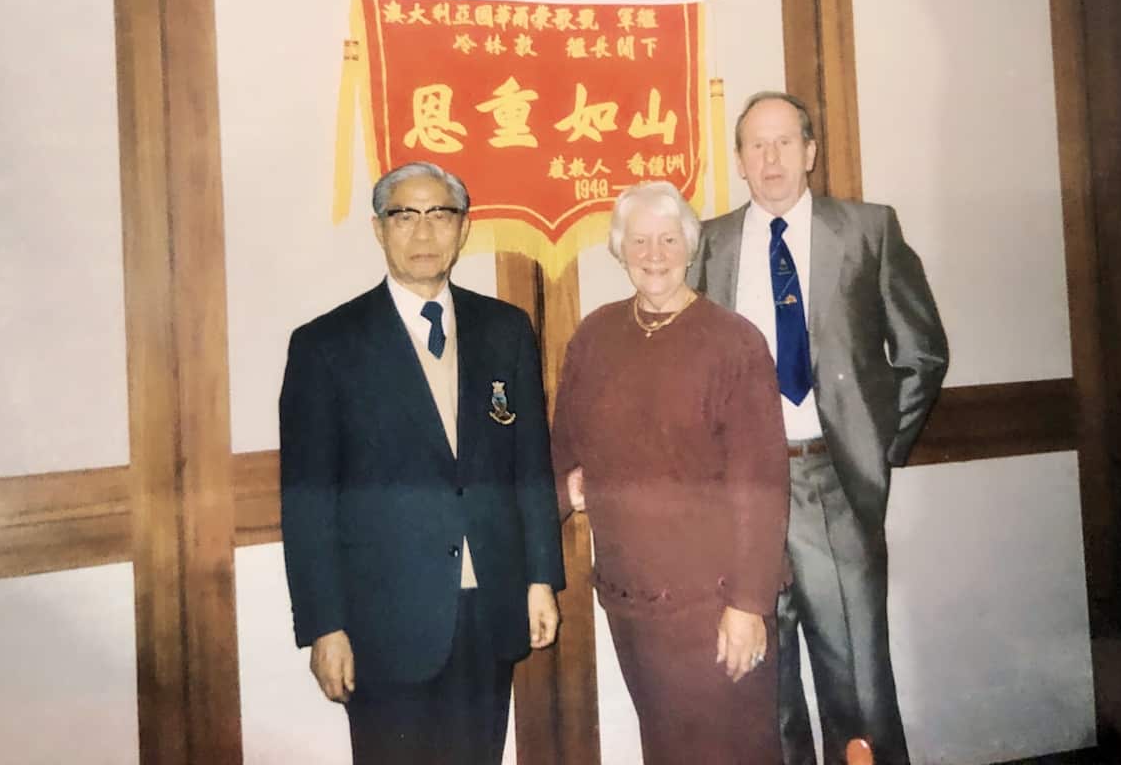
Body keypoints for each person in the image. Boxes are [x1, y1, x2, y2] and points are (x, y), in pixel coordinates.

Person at [689, 91, 949, 765]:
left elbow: (921, 353)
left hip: (829, 478)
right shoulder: (709, 245)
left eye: (785, 142)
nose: (771, 158)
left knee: (854, 684)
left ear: (810, 152)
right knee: (758, 688)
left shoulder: (867, 229)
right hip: (738, 493)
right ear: (740, 160)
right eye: (756, 145)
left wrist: (870, 451)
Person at [279, 161, 565, 765]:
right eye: (404, 215)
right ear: (379, 230)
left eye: (440, 214)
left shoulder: (506, 330)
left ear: (464, 229)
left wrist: (541, 580)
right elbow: (307, 504)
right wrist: (324, 626)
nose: (424, 231)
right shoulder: (326, 345)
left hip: (489, 608)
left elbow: (531, 469)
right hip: (383, 620)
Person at [553, 181, 790, 765]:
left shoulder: (734, 342)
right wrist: (568, 491)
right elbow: (563, 448)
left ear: (690, 246)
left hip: (712, 606)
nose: (653, 254)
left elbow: (761, 486)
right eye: (639, 240)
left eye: (667, 239)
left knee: (732, 752)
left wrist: (749, 605)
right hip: (629, 600)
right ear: (620, 250)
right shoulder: (594, 336)